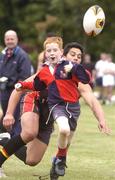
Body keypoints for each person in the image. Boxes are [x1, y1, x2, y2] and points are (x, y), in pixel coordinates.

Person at [14, 40, 110, 180]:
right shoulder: (49, 71)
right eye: (72, 54)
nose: (76, 57)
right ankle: (8, 142)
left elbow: (92, 101)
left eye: (79, 56)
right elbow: (32, 85)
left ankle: (56, 168)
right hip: (48, 109)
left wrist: (101, 120)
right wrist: (20, 88)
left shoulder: (78, 76)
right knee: (61, 133)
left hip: (71, 110)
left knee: (64, 144)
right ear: (64, 55)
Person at [0, 29, 32, 138]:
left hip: (17, 91)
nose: (10, 41)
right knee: (6, 114)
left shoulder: (22, 56)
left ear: (17, 40)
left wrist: (13, 84)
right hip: (4, 91)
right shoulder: (3, 55)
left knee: (17, 115)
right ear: (4, 40)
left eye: (12, 39)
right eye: (7, 39)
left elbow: (25, 76)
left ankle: (17, 139)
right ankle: (9, 137)